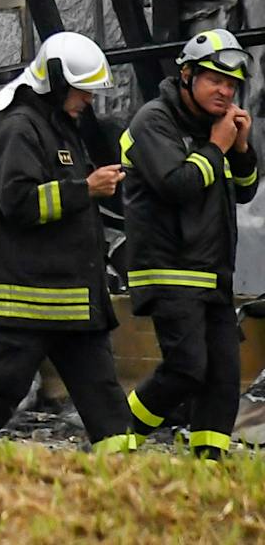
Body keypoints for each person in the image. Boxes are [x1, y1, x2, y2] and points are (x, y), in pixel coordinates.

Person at [0, 31, 137, 452]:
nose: (88, 100)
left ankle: (123, 467)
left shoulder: (59, 129)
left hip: (68, 294)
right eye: (82, 90)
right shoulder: (19, 129)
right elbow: (18, 203)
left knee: (101, 389)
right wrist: (85, 189)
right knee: (3, 387)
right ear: (57, 81)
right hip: (27, 295)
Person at [120, 30, 259, 457]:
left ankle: (209, 460)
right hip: (168, 269)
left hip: (213, 272)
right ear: (186, 75)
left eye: (232, 85)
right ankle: (117, 431)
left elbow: (245, 190)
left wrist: (240, 148)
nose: (225, 91)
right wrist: (217, 146)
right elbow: (175, 185)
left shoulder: (216, 128)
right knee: (186, 368)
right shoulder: (153, 121)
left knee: (223, 375)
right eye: (215, 80)